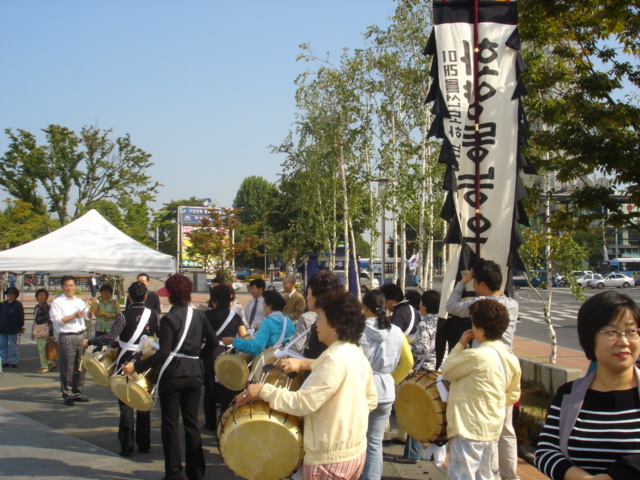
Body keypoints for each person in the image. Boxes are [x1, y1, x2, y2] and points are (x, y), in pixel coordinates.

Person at [237, 290, 378, 480]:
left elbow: (304, 404)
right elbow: (371, 401)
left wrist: (264, 390)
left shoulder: (334, 358)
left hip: (329, 457)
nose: (316, 324)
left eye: (321, 318)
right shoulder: (355, 351)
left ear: (335, 323)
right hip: (354, 452)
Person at [535, 291, 640, 479]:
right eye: (611, 331)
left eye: (631, 331)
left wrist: (614, 476)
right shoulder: (569, 395)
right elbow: (546, 451)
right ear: (590, 337)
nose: (623, 341)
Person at [122, 274, 217, 480]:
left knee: (171, 425)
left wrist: (136, 366)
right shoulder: (200, 316)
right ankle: (196, 472)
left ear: (172, 297)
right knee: (192, 424)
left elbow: (163, 354)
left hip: (173, 375)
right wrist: (197, 357)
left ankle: (174, 473)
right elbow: (214, 342)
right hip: (193, 374)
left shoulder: (169, 319)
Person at [445, 258, 520, 480]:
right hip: (506, 363)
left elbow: (450, 306)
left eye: (475, 282)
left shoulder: (478, 306)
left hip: (482, 366)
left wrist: (462, 282)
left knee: (477, 428)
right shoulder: (512, 304)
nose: (474, 286)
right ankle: (510, 475)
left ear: (483, 284)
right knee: (504, 430)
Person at [83, 281, 159, 457]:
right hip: (145, 361)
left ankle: (126, 445)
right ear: (146, 296)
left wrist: (89, 342)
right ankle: (144, 443)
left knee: (126, 403)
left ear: (129, 296)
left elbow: (109, 337)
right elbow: (157, 337)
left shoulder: (123, 316)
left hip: (125, 361)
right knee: (143, 401)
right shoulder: (154, 315)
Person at [360, 289, 412, 480]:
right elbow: (408, 362)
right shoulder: (396, 331)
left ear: (365, 308)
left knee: (357, 440)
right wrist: (392, 379)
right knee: (375, 442)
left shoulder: (358, 329)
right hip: (386, 389)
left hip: (362, 389)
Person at [395, 289, 442, 464]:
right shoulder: (443, 322)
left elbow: (422, 348)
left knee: (417, 412)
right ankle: (434, 452)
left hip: (424, 372)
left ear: (425, 306)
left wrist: (407, 349)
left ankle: (412, 453)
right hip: (441, 370)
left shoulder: (425, 324)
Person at [203, 283, 247, 430]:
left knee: (209, 390)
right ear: (230, 300)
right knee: (228, 389)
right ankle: (225, 422)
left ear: (213, 300)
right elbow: (243, 336)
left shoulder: (205, 315)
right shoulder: (234, 316)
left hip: (210, 353)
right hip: (229, 355)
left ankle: (209, 423)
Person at [50, 276, 91, 405]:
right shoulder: (58, 302)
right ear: (62, 287)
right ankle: (67, 393)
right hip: (66, 336)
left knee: (80, 365)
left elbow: (87, 316)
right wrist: (74, 315)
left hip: (80, 335)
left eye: (72, 285)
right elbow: (57, 320)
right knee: (67, 366)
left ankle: (78, 392)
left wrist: (92, 310)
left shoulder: (79, 301)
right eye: (67, 285)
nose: (70, 288)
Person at [288, 270, 344, 358]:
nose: (306, 298)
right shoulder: (340, 319)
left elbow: (332, 360)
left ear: (317, 297)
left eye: (308, 294)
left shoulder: (309, 319)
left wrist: (301, 364)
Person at [221, 290, 294, 356]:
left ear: (270, 306)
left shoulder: (267, 322)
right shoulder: (288, 321)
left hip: (268, 364)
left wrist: (234, 341)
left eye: (264, 304)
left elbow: (256, 347)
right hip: (284, 361)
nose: (263, 307)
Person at [32, 288, 56, 373]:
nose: (42, 297)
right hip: (38, 330)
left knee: (43, 350)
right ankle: (50, 363)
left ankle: (44, 366)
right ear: (37, 297)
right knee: (42, 349)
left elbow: (50, 321)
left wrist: (51, 334)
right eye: (40, 295)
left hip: (45, 330)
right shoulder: (36, 307)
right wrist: (33, 331)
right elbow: (34, 319)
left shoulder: (48, 307)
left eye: (44, 295)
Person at [0, 286, 25, 368]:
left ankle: (14, 361)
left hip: (13, 327)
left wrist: (20, 326)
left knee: (13, 346)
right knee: (3, 346)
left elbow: (21, 316)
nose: (10, 295)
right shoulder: (3, 304)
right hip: (2, 328)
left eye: (12, 294)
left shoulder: (18, 304)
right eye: (8, 293)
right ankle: (5, 360)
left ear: (15, 295)